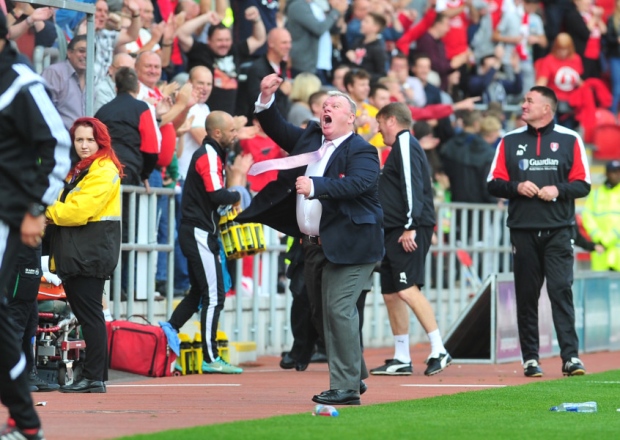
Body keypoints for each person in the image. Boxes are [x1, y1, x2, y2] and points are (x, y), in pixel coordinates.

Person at [237, 74, 384, 405]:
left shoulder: (362, 149)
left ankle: (345, 388)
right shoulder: (311, 140)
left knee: (339, 309)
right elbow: (274, 125)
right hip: (313, 246)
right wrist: (264, 98)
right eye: (325, 105)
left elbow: (359, 184)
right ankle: (354, 374)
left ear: (352, 117)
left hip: (353, 244)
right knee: (321, 314)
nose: (327, 108)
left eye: (335, 105)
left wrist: (317, 187)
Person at [0, 7, 71, 436]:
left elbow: (58, 144)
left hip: (7, 216)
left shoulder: (23, 83)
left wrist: (34, 209)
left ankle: (25, 422)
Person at [487, 86, 591, 377]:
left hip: (559, 230)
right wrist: (516, 187)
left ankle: (570, 357)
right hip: (523, 230)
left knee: (560, 290)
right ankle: (530, 358)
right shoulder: (508, 141)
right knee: (527, 294)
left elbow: (583, 184)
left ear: (547, 108)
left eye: (529, 101)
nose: (523, 105)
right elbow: (492, 182)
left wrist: (557, 190)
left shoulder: (570, 139)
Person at [159, 111, 249, 374]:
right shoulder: (208, 155)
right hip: (198, 233)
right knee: (214, 295)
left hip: (198, 231)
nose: (236, 134)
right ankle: (210, 357)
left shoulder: (213, 154)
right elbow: (216, 194)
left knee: (199, 292)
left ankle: (168, 332)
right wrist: (239, 192)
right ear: (217, 133)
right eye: (232, 130)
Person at [370, 102, 451, 377]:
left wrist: (410, 226)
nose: (378, 130)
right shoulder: (401, 146)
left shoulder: (405, 143)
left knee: (406, 289)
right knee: (391, 293)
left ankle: (439, 349)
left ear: (391, 120)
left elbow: (412, 186)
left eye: (380, 123)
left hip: (408, 228)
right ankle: (401, 357)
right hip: (395, 228)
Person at [46, 117, 124, 393]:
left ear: (101, 141)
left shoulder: (102, 171)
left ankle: (93, 378)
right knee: (89, 314)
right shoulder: (84, 169)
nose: (84, 145)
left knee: (90, 316)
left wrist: (44, 212)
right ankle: (95, 376)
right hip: (83, 252)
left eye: (90, 139)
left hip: (89, 253)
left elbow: (78, 212)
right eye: (79, 139)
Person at [41, 35, 88, 130]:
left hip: (84, 140)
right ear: (69, 53)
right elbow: (43, 110)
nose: (86, 55)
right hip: (59, 137)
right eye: (81, 51)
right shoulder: (54, 73)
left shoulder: (93, 78)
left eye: (90, 52)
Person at [581, 160, 620, 271]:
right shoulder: (596, 194)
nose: (617, 175)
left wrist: (608, 238)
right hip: (601, 251)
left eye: (619, 171)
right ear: (607, 173)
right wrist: (599, 236)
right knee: (600, 287)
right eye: (614, 172)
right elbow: (587, 216)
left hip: (616, 252)